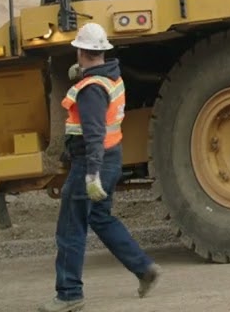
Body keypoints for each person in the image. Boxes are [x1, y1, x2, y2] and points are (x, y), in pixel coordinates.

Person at [40, 22, 161, 312]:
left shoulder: (91, 90)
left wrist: (91, 173)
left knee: (71, 227)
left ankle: (69, 294)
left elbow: (93, 133)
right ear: (102, 52)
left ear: (81, 51)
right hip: (111, 158)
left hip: (91, 164)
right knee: (100, 218)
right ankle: (144, 268)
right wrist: (85, 75)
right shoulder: (110, 77)